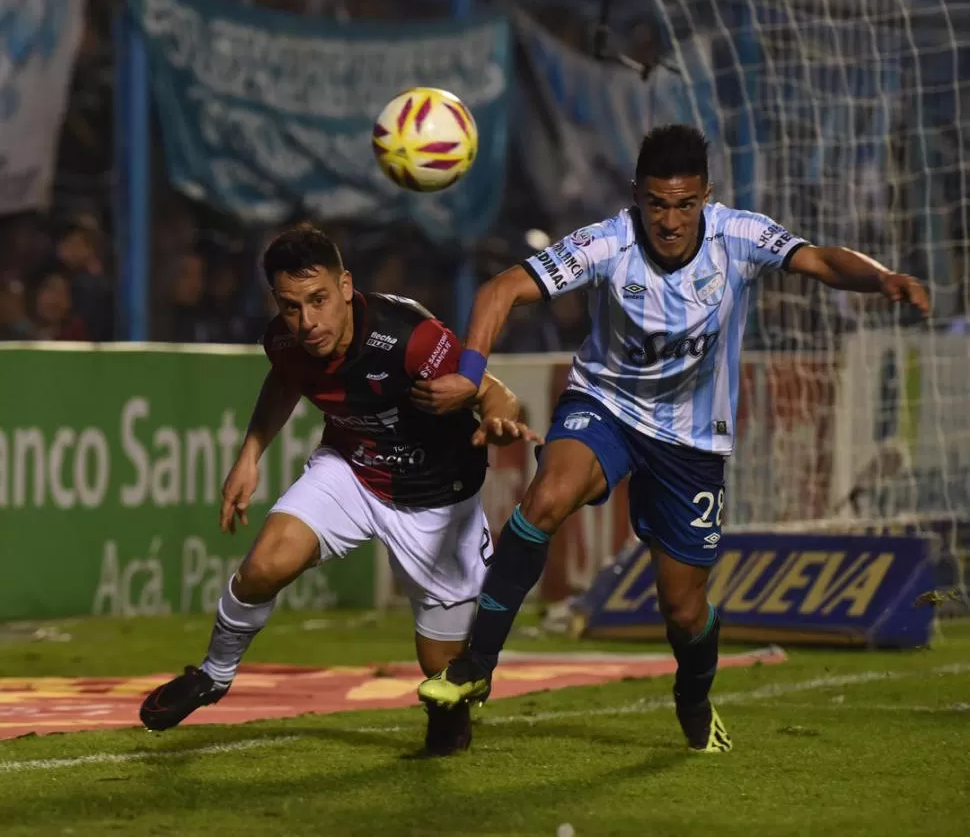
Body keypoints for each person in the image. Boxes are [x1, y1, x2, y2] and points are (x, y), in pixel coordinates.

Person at [414, 124, 930, 753]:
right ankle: (477, 666)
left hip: (691, 443)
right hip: (606, 405)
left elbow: (820, 260)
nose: (670, 221)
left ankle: (694, 695)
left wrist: (882, 278)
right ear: (637, 197)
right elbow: (502, 290)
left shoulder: (738, 236)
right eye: (657, 204)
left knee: (683, 609)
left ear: (705, 198)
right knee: (545, 498)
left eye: (685, 206)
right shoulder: (607, 243)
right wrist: (470, 376)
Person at [140, 224, 538, 757]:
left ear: (346, 286)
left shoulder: (410, 336)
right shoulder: (284, 341)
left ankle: (449, 717)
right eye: (290, 306)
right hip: (350, 471)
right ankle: (213, 675)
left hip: (438, 502)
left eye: (318, 300)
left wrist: (495, 419)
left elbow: (497, 394)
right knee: (263, 566)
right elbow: (284, 380)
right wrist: (249, 455)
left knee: (442, 671)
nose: (307, 322)